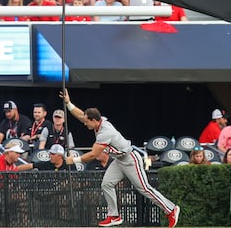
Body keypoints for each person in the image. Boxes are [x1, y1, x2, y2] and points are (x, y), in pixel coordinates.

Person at [60, 87, 181, 228]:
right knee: (106, 184)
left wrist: (73, 160)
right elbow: (82, 115)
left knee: (145, 189)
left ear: (94, 120)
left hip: (130, 159)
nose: (85, 123)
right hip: (119, 160)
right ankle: (114, 216)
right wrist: (68, 103)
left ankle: (171, 210)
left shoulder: (105, 132)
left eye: (87, 122)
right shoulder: (99, 121)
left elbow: (93, 154)